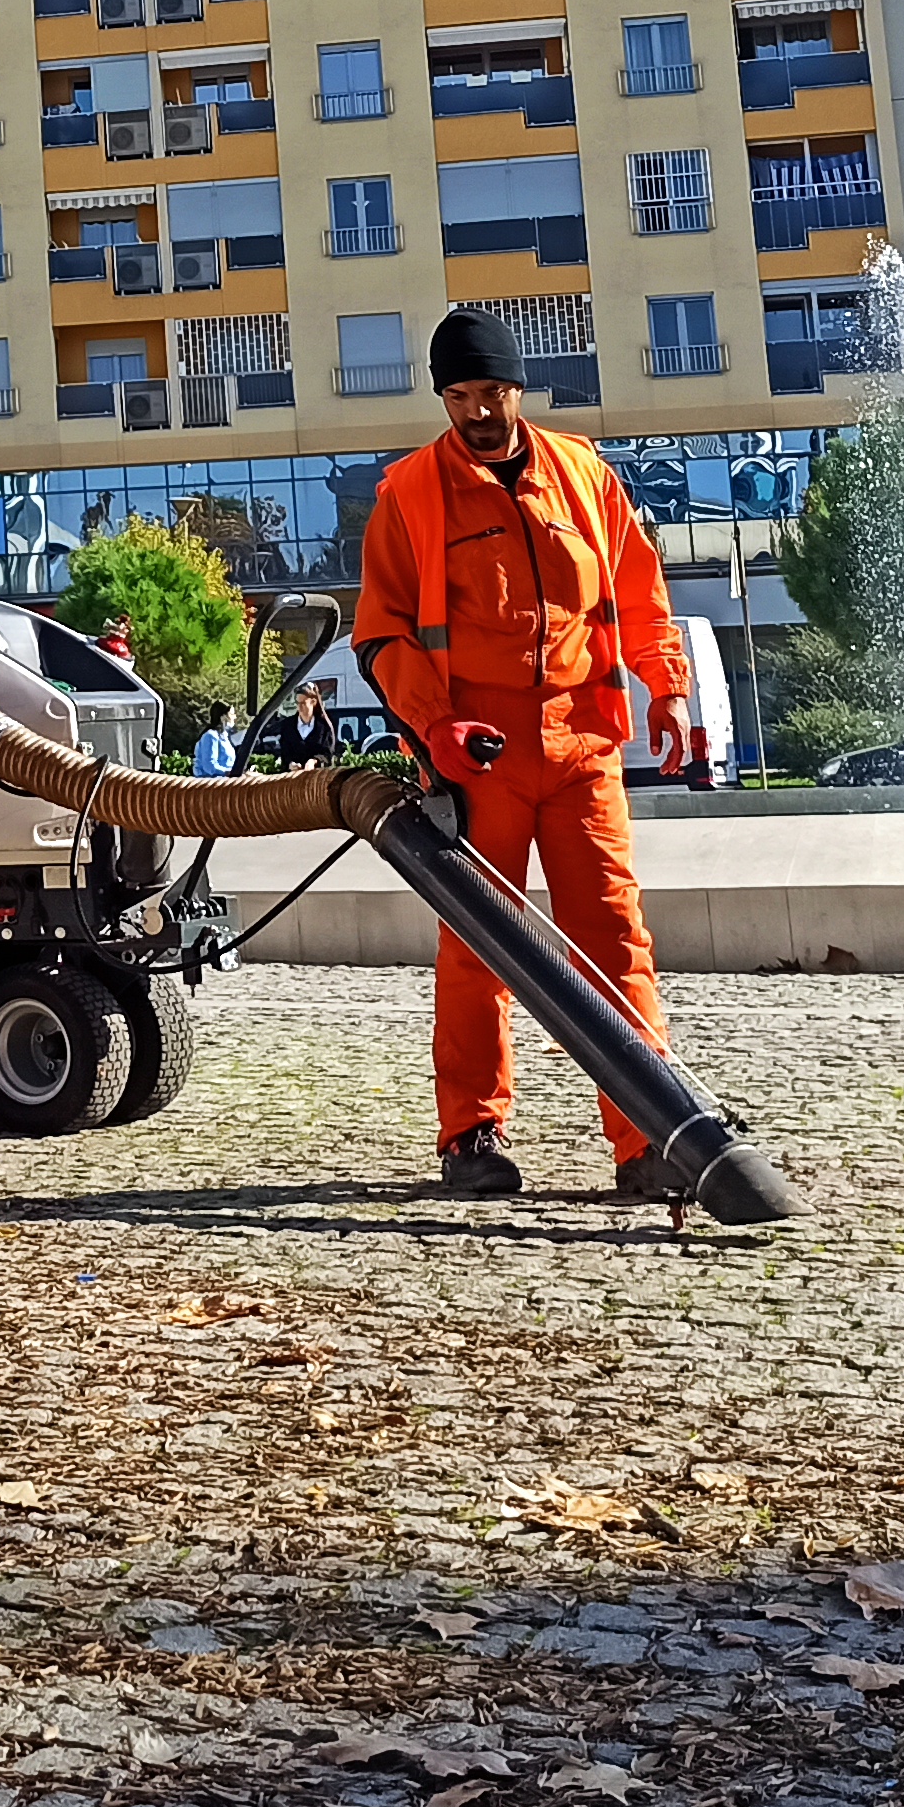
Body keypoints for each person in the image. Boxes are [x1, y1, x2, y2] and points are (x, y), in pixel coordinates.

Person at [354, 306, 703, 1201]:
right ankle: (470, 1135)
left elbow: (638, 588)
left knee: (615, 941)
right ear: (444, 398)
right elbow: (382, 635)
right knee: (478, 949)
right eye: (461, 395)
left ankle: (649, 1136)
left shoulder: (583, 473)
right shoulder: (408, 495)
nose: (479, 411)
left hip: (584, 747)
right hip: (477, 758)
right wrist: (434, 725)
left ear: (519, 389)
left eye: (493, 391)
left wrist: (665, 686)